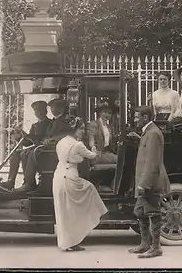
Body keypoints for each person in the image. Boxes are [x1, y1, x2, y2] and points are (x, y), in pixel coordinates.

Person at [53, 116, 108, 252]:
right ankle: (100, 211)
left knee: (63, 212)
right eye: (81, 128)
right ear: (74, 129)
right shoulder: (78, 145)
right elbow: (93, 156)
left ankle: (67, 242)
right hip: (71, 177)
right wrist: (92, 143)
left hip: (58, 176)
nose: (83, 131)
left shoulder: (61, 142)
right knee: (87, 192)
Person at [127, 105, 170, 259]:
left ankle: (156, 247)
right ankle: (145, 244)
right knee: (140, 212)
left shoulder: (153, 134)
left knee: (153, 212)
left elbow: (152, 162)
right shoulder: (148, 133)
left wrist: (144, 184)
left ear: (145, 118)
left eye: (137, 117)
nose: (135, 119)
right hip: (145, 181)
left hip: (150, 182)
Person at [14, 98, 70, 193]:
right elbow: (31, 141)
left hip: (51, 150)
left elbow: (64, 135)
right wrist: (21, 137)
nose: (52, 110)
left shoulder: (61, 121)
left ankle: (29, 183)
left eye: (54, 107)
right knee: (23, 153)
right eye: (51, 107)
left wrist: (49, 140)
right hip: (45, 147)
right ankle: (25, 182)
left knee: (31, 153)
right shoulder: (54, 121)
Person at [1, 101, 52, 190]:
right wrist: (20, 137)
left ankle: (28, 182)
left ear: (46, 111)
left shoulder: (50, 124)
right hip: (35, 148)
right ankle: (11, 181)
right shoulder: (34, 125)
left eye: (40, 110)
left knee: (24, 153)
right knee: (16, 153)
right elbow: (28, 143)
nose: (38, 113)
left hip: (44, 151)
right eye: (36, 110)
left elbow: (43, 140)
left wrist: (29, 137)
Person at [87, 100, 118, 165]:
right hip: (98, 154)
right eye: (105, 112)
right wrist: (93, 147)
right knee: (119, 159)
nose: (107, 115)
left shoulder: (109, 127)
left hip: (107, 153)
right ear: (100, 113)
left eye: (109, 113)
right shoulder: (94, 124)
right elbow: (91, 137)